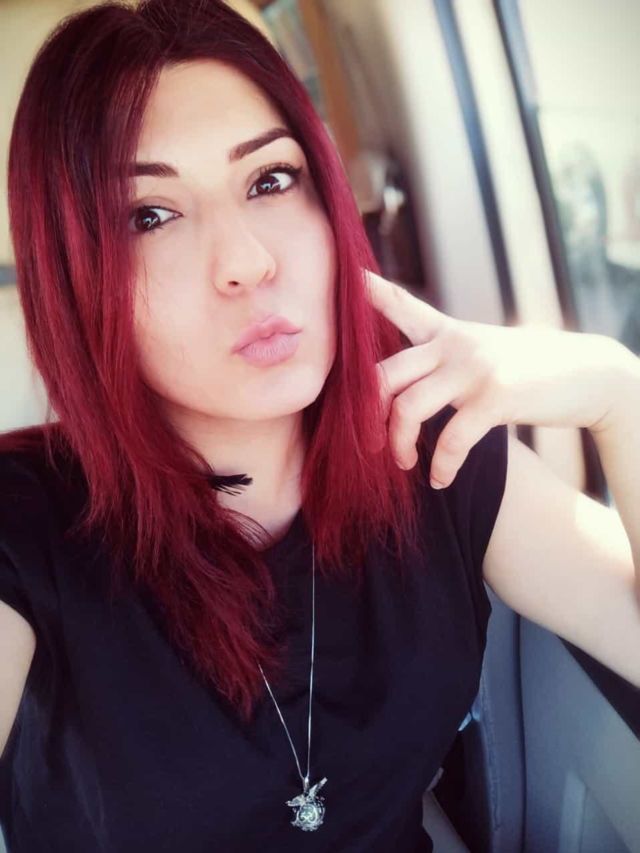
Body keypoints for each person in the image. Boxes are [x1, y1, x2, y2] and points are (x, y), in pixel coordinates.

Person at [0, 0, 513, 850]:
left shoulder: (429, 438)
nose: (247, 262)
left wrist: (615, 393)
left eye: (270, 179)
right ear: (74, 279)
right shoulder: (26, 525)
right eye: (148, 216)